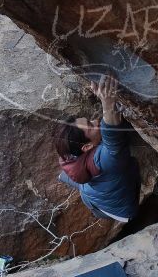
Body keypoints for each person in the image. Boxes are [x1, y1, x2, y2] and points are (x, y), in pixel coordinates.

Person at [54, 75, 140, 222]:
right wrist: (107, 103)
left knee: (74, 172)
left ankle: (69, 177)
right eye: (91, 125)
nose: (96, 121)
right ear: (87, 146)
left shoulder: (67, 153)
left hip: (89, 195)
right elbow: (113, 138)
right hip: (118, 211)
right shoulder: (106, 160)